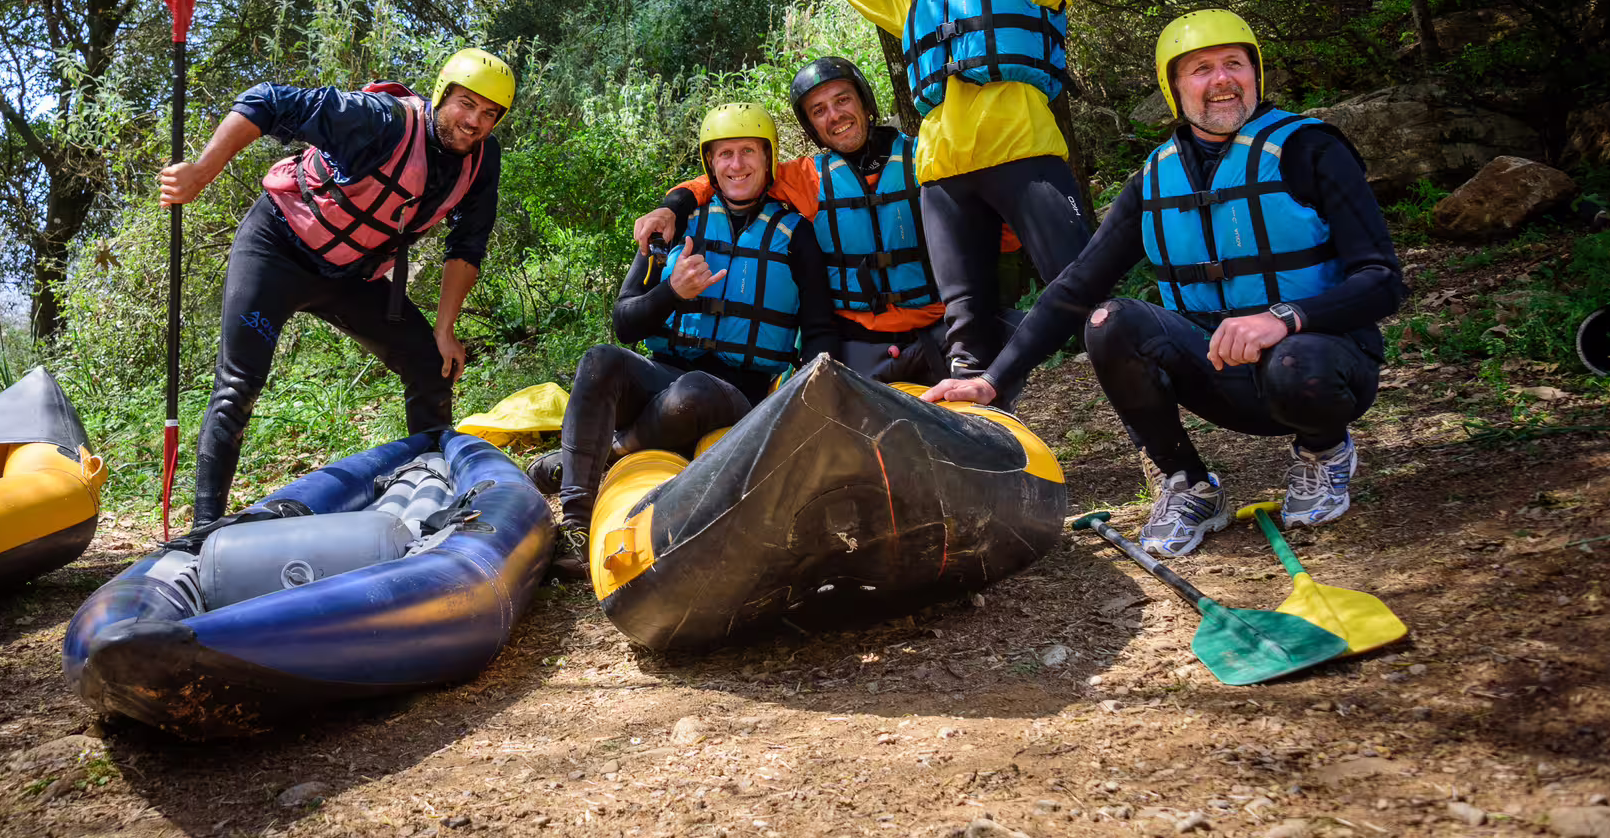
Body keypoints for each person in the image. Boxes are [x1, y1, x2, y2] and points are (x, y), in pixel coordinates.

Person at [833, 0, 1281, 402]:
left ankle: (1160, 443)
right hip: (942, 176)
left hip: (1023, 153)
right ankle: (984, 450)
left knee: (1090, 303)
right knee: (966, 330)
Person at [942, 11, 1407, 556]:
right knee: (1108, 321)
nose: (1222, 80)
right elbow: (1075, 286)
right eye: (1201, 69)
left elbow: (1382, 281)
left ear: (1256, 73)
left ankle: (1324, 451)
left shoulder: (1312, 150)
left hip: (1318, 363)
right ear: (1174, 88)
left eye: (1234, 64)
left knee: (1294, 362)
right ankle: (1189, 484)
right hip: (1218, 373)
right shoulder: (1156, 176)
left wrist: (1282, 318)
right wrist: (992, 382)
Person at [157, 48, 514, 538]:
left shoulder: (480, 161)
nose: (474, 122)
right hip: (278, 248)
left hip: (351, 275)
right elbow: (267, 101)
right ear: (442, 95)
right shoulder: (378, 121)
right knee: (239, 385)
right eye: (466, 104)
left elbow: (467, 244)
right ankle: (202, 532)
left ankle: (431, 500)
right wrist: (202, 170)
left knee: (430, 363)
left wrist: (445, 328)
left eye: (489, 114)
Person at [536, 101, 840, 579]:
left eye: (747, 153)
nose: (736, 165)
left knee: (694, 390)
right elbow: (625, 322)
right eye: (724, 154)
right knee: (599, 360)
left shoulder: (795, 234)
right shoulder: (674, 225)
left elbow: (820, 328)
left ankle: (616, 449)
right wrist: (672, 292)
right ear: (710, 164)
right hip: (662, 374)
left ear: (768, 158)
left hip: (736, 392)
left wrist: (806, 399)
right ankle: (575, 523)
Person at [631, 57, 1023, 384]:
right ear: (811, 126)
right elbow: (733, 177)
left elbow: (1003, 234)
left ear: (865, 102)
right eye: (819, 111)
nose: (835, 116)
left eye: (842, 100)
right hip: (859, 347)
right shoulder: (805, 179)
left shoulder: (929, 155)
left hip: (943, 334)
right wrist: (674, 206)